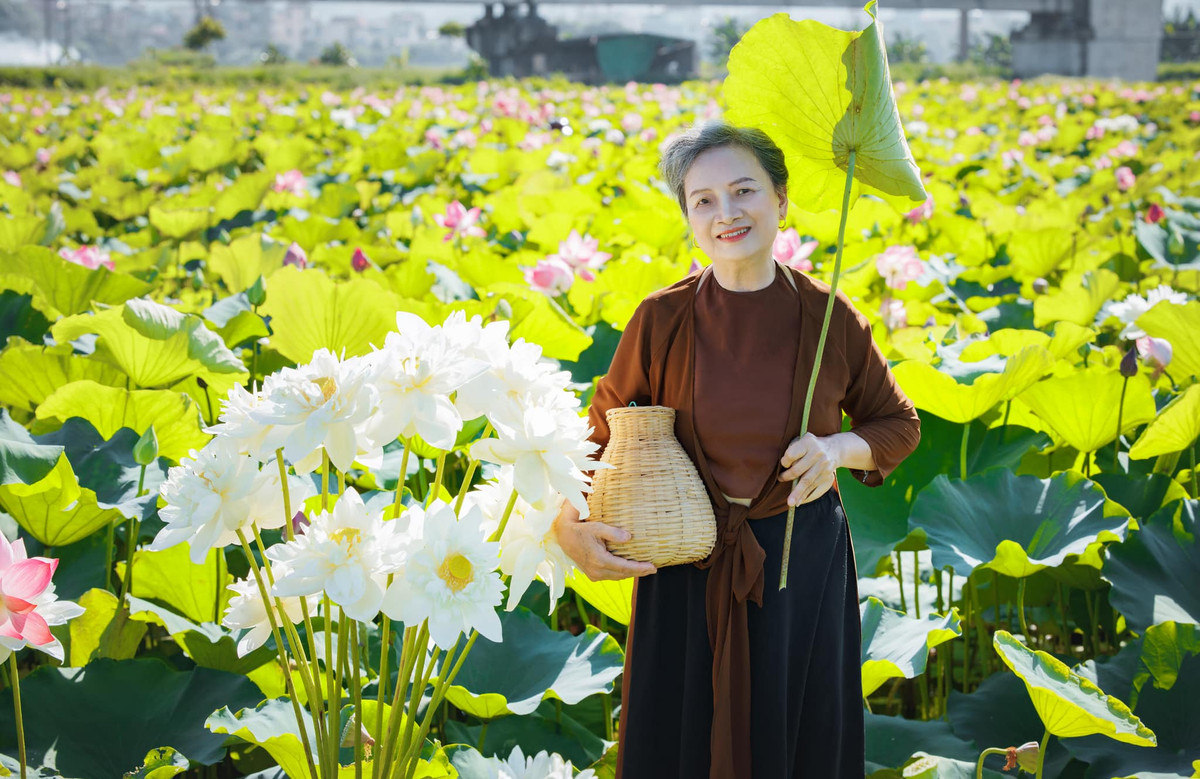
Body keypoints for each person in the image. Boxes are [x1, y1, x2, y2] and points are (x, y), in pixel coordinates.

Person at [552, 121, 922, 779]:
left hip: (798, 566)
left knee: (797, 744)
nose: (726, 213)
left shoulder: (834, 318)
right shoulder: (659, 319)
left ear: (781, 199)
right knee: (680, 745)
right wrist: (567, 527)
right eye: (704, 200)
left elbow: (897, 424)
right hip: (681, 566)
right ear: (688, 217)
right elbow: (594, 435)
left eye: (744, 190)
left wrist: (837, 448)